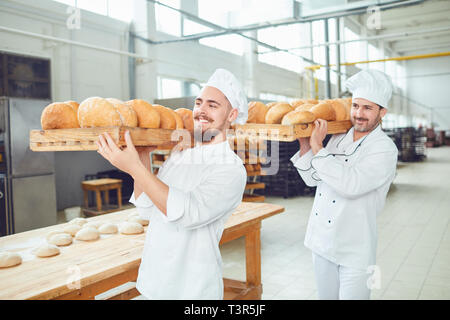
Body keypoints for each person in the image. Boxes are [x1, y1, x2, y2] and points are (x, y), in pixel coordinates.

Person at [96, 68, 248, 299]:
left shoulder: (231, 168)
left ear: (231, 115)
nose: (201, 111)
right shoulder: (180, 154)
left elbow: (187, 214)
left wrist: (134, 167)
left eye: (212, 105)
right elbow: (147, 207)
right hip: (153, 282)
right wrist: (143, 157)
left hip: (191, 289)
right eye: (198, 103)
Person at [290, 69, 398, 299]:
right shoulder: (339, 137)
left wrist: (318, 148)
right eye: (356, 106)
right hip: (321, 241)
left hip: (355, 248)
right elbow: (313, 179)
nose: (359, 114)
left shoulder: (384, 148)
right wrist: (306, 147)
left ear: (382, 112)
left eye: (367, 108)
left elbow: (351, 185)